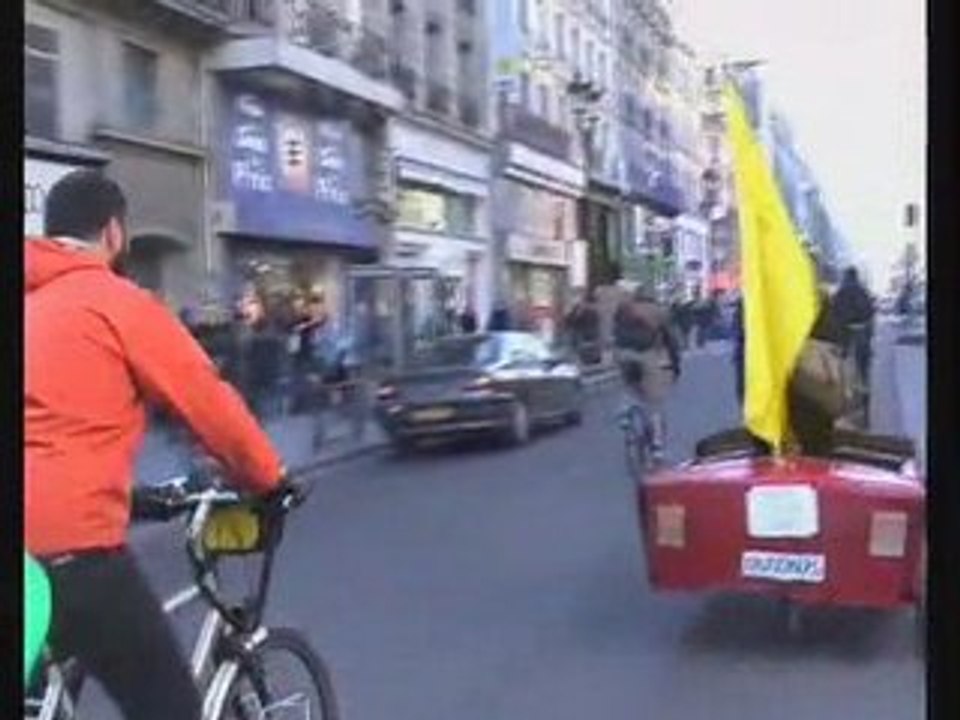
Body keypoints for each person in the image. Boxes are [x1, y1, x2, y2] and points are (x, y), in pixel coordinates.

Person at [25, 170, 289, 720]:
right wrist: (268, 478)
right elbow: (206, 402)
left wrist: (132, 496)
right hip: (72, 549)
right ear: (113, 232)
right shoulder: (117, 302)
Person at [613, 285, 682, 462]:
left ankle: (625, 410)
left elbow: (614, 329)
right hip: (646, 354)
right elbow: (671, 340)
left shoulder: (624, 307)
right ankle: (657, 447)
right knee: (654, 402)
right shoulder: (660, 312)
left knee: (627, 384)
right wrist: (675, 365)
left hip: (622, 353)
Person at [831, 267, 876, 386]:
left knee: (843, 359)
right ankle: (864, 386)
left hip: (845, 331)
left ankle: (844, 387)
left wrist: (836, 334)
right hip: (861, 329)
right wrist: (870, 335)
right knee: (863, 361)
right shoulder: (863, 291)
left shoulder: (840, 292)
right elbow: (870, 312)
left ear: (846, 276)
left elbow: (834, 312)